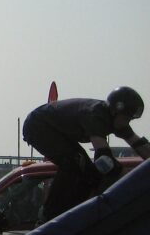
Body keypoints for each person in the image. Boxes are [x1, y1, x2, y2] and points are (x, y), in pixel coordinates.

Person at [23, 87, 149, 221]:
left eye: (130, 119)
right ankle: (49, 216)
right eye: (126, 118)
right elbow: (103, 160)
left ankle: (78, 214)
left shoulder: (117, 120)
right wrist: (131, 178)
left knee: (91, 175)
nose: (127, 122)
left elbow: (140, 145)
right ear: (114, 111)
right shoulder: (95, 115)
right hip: (37, 126)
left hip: (57, 130)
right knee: (73, 164)